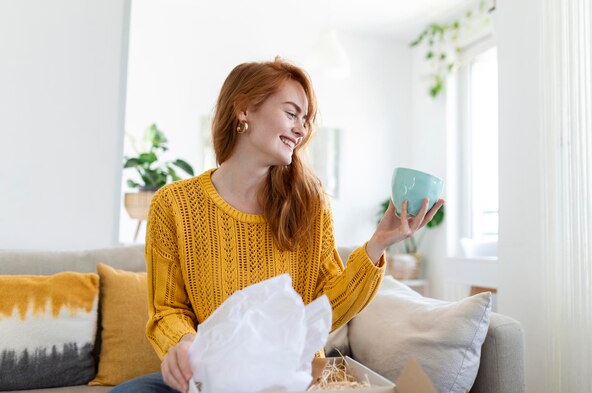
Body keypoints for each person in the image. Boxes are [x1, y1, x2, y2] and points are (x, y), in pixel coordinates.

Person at [111, 57, 444, 393]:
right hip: (212, 377)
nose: (301, 129)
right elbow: (167, 308)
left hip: (291, 378)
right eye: (291, 113)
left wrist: (378, 244)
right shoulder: (174, 204)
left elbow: (327, 310)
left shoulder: (309, 205)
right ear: (244, 109)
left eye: (305, 119)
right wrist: (182, 344)